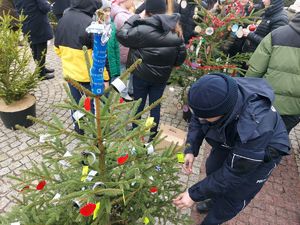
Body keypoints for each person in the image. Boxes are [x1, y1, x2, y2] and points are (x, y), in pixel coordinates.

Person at [172, 73, 290, 225]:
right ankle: (213, 199)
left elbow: (233, 173)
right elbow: (198, 117)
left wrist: (193, 194)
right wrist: (190, 149)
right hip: (234, 134)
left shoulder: (256, 128)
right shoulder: (218, 93)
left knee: (234, 194)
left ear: (222, 112)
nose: (201, 120)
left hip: (264, 149)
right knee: (213, 167)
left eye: (205, 117)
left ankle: (213, 220)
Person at [117, 0, 186, 141]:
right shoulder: (176, 30)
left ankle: (136, 135)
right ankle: (152, 137)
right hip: (161, 78)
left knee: (139, 104)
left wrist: (135, 16)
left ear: (147, 11)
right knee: (155, 106)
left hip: (140, 75)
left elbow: (121, 35)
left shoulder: (141, 29)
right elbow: (180, 58)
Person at [54, 0, 104, 134]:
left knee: (76, 103)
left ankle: (79, 128)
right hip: (88, 76)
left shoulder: (62, 20)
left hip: (70, 74)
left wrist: (69, 59)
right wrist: (104, 76)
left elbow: (57, 49)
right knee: (94, 105)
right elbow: (98, 54)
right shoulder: (90, 24)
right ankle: (96, 133)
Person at [246, 12, 300, 134]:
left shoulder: (277, 34)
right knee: (279, 139)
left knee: (257, 136)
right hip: (295, 109)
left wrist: (247, 95)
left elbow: (255, 70)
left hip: (267, 101)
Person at [13, 0, 55, 80]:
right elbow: (44, 7)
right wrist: (49, 5)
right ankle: (41, 74)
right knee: (41, 49)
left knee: (34, 47)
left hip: (26, 23)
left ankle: (41, 69)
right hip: (38, 23)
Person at [111, 0, 134, 94]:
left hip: (125, 49)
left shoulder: (122, 13)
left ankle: (129, 90)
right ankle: (122, 93)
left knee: (128, 71)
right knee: (122, 73)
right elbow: (130, 31)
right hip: (123, 50)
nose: (132, 2)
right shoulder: (120, 16)